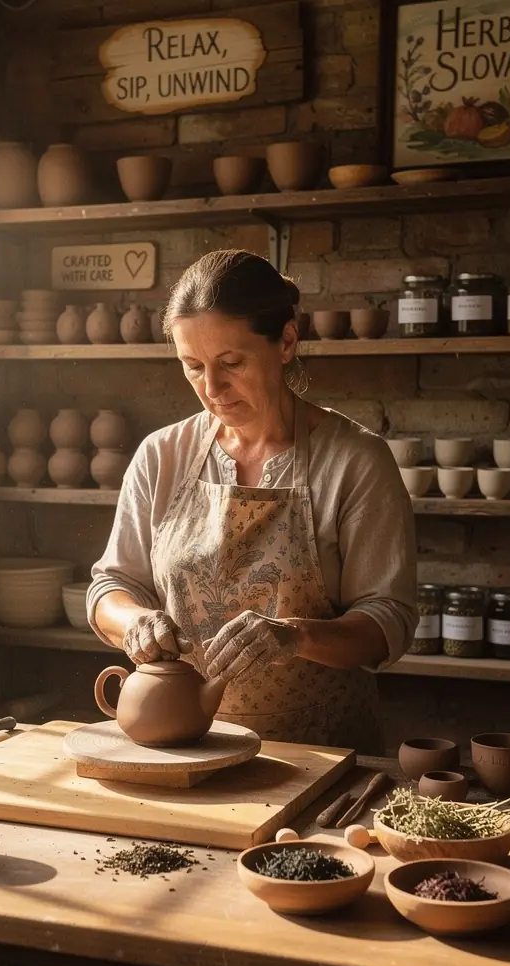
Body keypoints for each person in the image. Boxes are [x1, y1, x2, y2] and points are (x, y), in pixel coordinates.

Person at [85, 249, 417, 752]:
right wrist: (134, 622)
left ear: (286, 340)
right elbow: (112, 585)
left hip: (319, 751)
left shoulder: (355, 462)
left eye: (231, 363)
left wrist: (298, 637)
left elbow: (387, 619)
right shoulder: (162, 456)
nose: (211, 388)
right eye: (192, 366)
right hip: (186, 746)